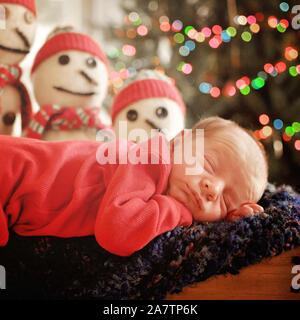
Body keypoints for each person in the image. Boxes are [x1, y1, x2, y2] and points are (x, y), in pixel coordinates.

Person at [0, 116, 267, 256]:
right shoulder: (149, 158)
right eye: (208, 164)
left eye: (226, 200)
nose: (213, 188)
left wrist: (234, 220)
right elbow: (116, 233)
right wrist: (180, 212)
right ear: (178, 142)